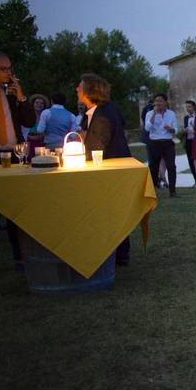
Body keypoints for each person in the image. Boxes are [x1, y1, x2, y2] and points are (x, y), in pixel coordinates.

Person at [77, 73, 133, 265]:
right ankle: (120, 253)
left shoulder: (102, 116)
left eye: (80, 86)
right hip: (116, 167)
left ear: (89, 91)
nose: (77, 89)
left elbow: (96, 148)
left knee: (111, 213)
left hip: (110, 171)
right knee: (116, 213)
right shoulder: (106, 109)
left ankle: (117, 255)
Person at [0, 50, 37, 268]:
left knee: (14, 204)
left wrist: (21, 97)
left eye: (10, 68)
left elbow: (30, 120)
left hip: (12, 153)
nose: (8, 73)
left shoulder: (11, 94)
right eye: (3, 69)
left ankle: (19, 256)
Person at [144, 93, 178, 196]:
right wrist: (154, 114)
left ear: (165, 103)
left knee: (171, 166)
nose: (158, 103)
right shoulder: (150, 113)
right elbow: (147, 128)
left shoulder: (171, 114)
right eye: (156, 101)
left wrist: (171, 129)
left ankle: (172, 191)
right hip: (154, 143)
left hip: (168, 143)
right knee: (153, 167)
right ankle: (153, 190)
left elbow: (175, 129)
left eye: (160, 101)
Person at [182, 100, 196, 183]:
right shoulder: (186, 118)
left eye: (189, 106)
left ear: (193, 107)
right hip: (189, 142)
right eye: (186, 107)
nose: (187, 108)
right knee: (191, 162)